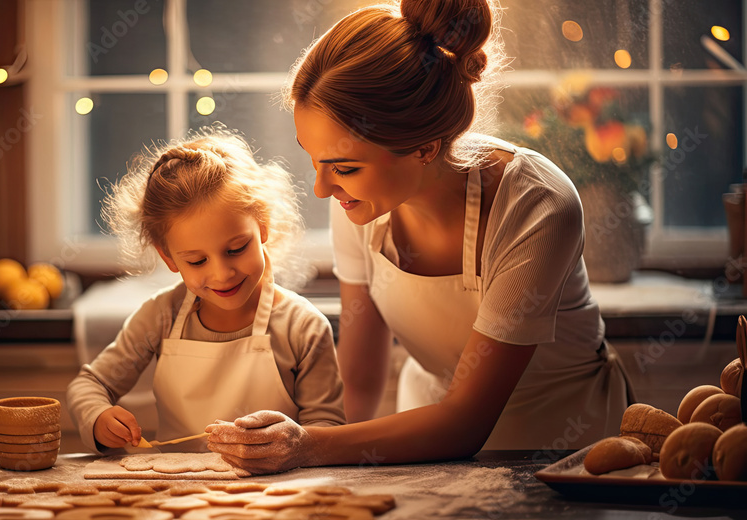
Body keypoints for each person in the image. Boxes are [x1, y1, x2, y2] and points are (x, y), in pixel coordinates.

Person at [206, 0, 632, 473]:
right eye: (314, 158)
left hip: (563, 448)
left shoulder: (534, 205)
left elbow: (465, 422)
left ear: (425, 148)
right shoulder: (360, 200)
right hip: (426, 442)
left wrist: (307, 446)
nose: (322, 188)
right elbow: (362, 374)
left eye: (344, 167)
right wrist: (315, 464)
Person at [67, 127, 346, 453]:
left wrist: (298, 444)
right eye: (197, 261)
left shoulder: (303, 327)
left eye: (236, 249)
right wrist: (99, 417)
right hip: (179, 492)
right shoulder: (161, 316)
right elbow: (90, 384)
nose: (222, 274)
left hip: (275, 494)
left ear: (263, 226)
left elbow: (325, 430)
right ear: (168, 257)